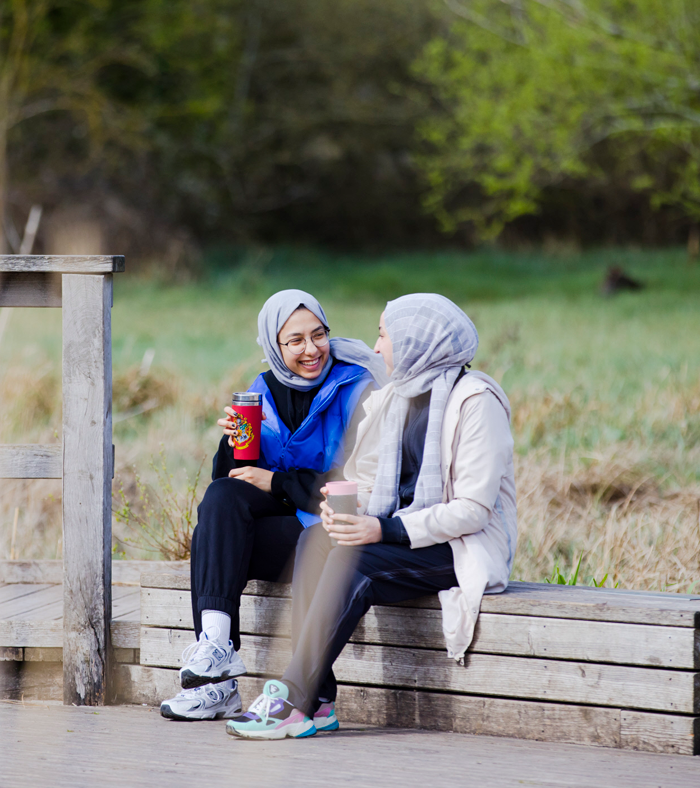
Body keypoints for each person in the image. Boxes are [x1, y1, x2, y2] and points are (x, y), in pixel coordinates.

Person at [224, 293, 517, 740]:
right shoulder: (395, 398)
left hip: (457, 546)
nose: (376, 347)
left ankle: (292, 698)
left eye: (384, 335)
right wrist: (340, 508)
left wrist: (383, 527)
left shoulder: (475, 401)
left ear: (418, 341)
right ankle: (318, 702)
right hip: (398, 535)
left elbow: (473, 511)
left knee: (352, 561)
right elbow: (360, 477)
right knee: (317, 539)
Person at [159, 289, 384, 722]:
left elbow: (352, 490)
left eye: (318, 335)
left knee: (213, 535)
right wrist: (231, 443)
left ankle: (234, 687)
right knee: (219, 506)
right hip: (288, 527)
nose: (311, 349)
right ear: (274, 348)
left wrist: (277, 481)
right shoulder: (261, 390)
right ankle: (217, 663)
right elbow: (230, 483)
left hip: (329, 533)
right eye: (295, 341)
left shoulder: (358, 390)